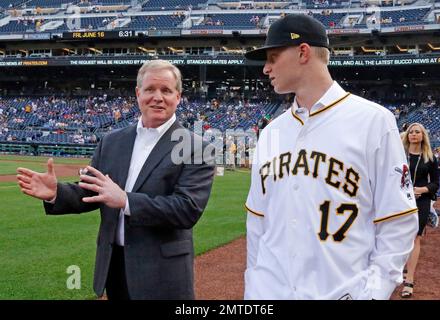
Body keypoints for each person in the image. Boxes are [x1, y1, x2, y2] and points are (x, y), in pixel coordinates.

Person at [243, 14, 418, 300]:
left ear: (303, 52)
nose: (266, 68)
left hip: (341, 293)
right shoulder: (271, 132)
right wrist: (255, 289)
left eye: (273, 57)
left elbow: (398, 219)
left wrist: (374, 293)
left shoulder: (373, 120)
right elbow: (257, 223)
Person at [16, 60, 216, 300]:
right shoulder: (112, 141)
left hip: (162, 273)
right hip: (115, 267)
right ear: (138, 93)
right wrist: (55, 193)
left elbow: (186, 210)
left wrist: (125, 200)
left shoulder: (196, 147)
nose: (158, 97)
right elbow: (90, 192)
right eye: (150, 89)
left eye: (166, 90)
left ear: (178, 96)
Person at [400, 123, 439, 298]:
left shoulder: (429, 157)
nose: (414, 134)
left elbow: (436, 183)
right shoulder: (399, 154)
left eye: (417, 132)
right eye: (411, 132)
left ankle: (409, 280)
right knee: (397, 235)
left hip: (420, 201)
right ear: (407, 135)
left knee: (415, 237)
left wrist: (421, 190)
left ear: (423, 136)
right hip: (399, 200)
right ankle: (396, 270)